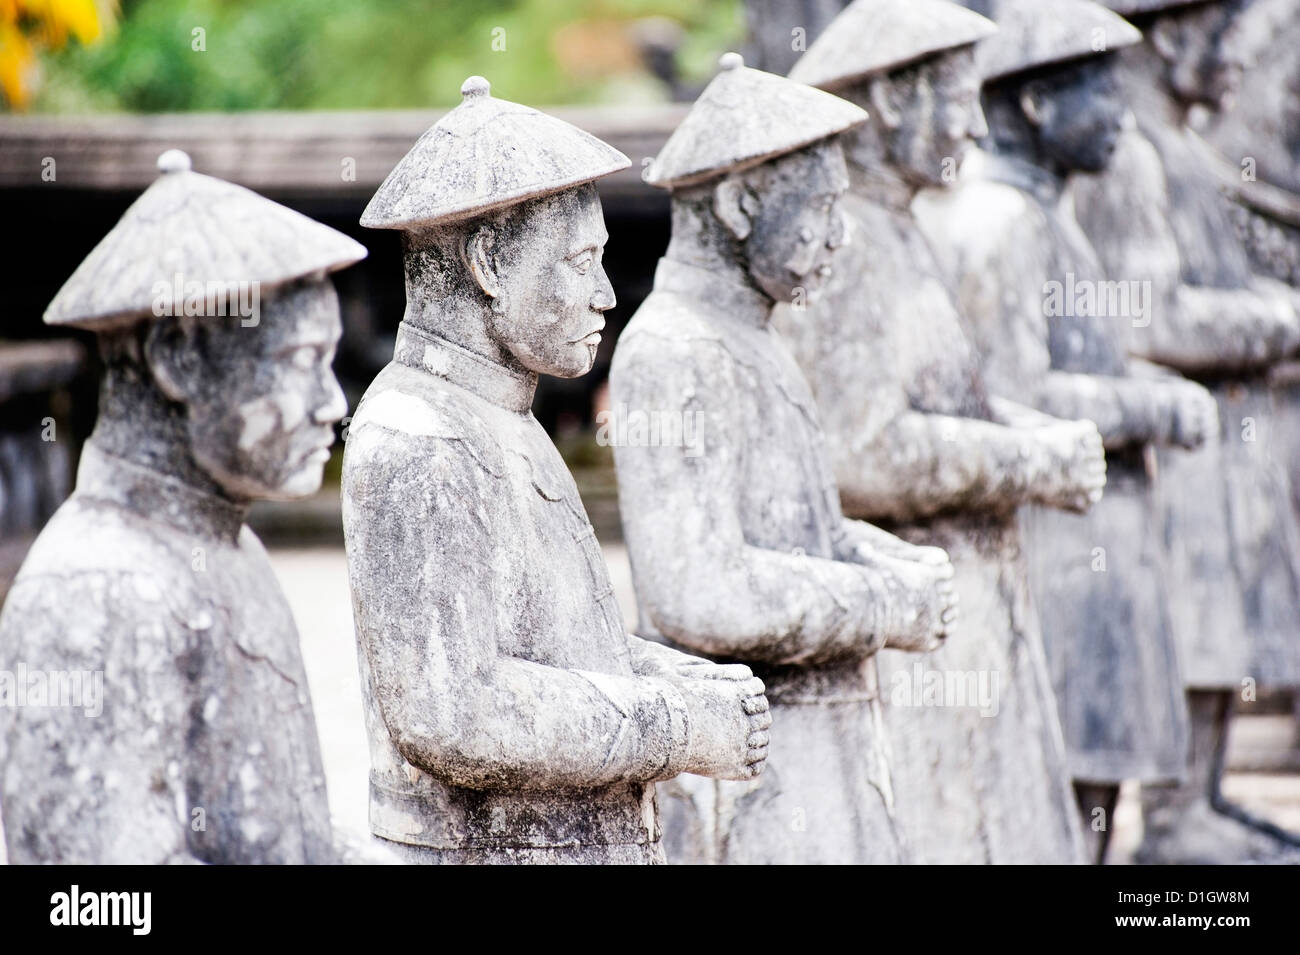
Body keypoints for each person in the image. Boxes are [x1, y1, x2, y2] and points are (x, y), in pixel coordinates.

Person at [343, 77, 770, 865]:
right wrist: (673, 723)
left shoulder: (503, 417)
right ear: (490, 261)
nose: (608, 295)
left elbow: (564, 646)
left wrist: (684, 680)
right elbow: (454, 711)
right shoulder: (419, 435)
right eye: (581, 263)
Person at [612, 53, 959, 864]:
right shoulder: (673, 349)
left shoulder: (753, 335)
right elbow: (701, 591)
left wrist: (888, 557)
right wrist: (884, 601)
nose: (841, 235)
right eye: (824, 206)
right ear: (740, 201)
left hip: (815, 745)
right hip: (752, 772)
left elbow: (798, 525)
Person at [780, 0, 1106, 863]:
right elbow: (866, 453)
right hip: (919, 632)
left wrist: (1034, 435)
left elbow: (956, 399)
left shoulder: (900, 229)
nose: (973, 119)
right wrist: (1027, 459)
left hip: (964, 619)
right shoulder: (844, 247)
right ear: (889, 96)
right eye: (957, 96)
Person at [0, 150, 368, 863]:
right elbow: (98, 904)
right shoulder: (96, 591)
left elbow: (276, 834)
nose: (333, 403)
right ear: (179, 356)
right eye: (300, 361)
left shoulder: (224, 545)